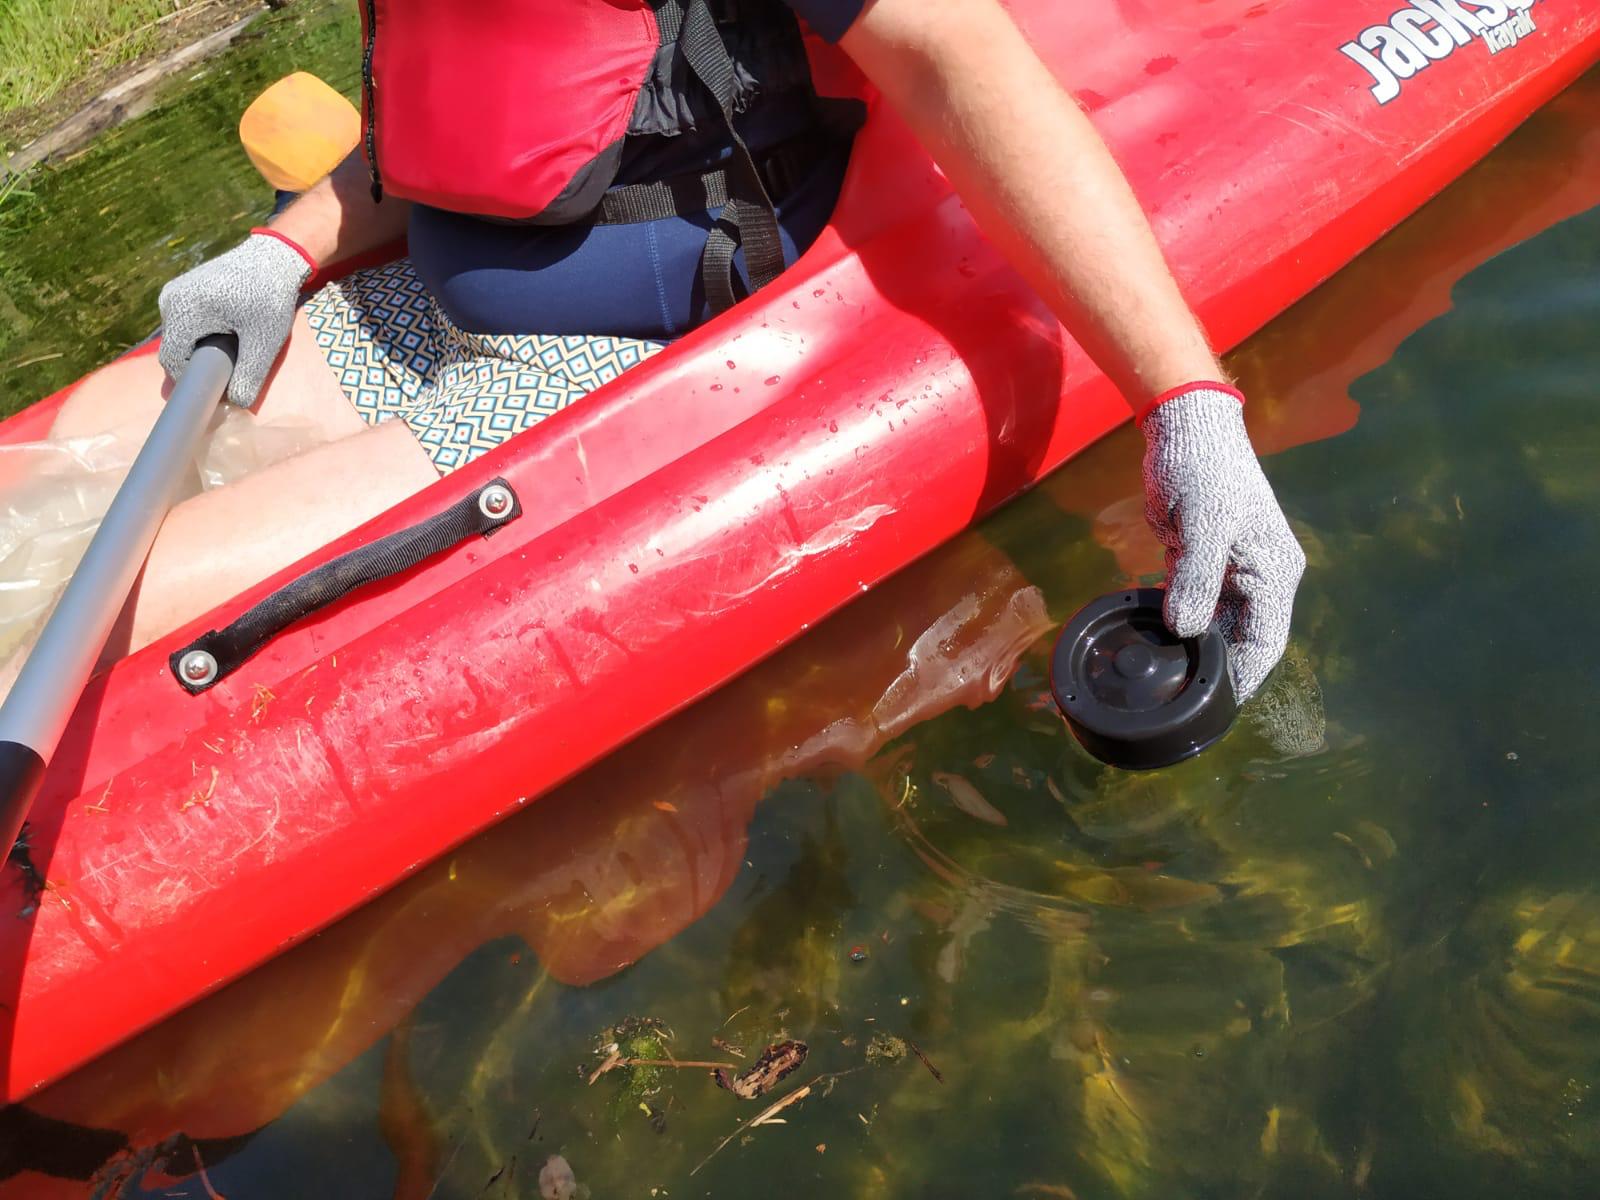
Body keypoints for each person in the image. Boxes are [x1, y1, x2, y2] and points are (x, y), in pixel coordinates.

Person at [49, 0, 1304, 700]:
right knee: (71, 448)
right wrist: (286, 248)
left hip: (617, 365)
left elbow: (949, 49)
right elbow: (447, 110)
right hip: (420, 299)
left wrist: (1183, 403)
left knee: (96, 594)